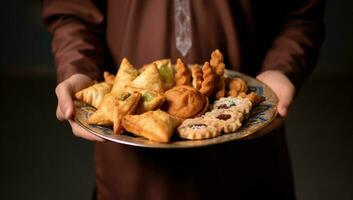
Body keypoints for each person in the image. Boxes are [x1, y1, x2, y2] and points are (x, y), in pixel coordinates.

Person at [42, 0, 325, 199]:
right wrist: (77, 68)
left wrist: (281, 67)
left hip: (247, 151)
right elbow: (72, 10)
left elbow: (301, 14)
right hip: (132, 164)